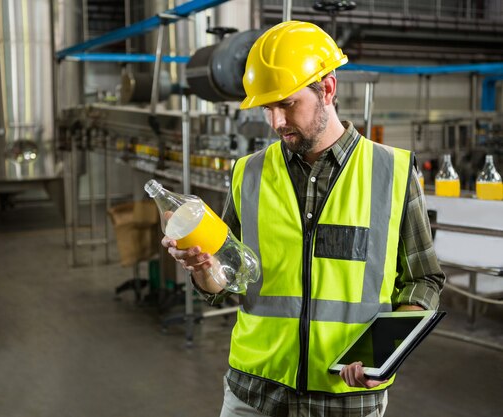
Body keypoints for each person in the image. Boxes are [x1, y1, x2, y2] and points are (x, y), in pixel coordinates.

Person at [162, 20, 445, 417]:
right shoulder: (249, 172)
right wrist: (202, 269)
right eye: (267, 108)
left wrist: (385, 354)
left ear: (327, 89)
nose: (276, 122)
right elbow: (224, 281)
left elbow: (422, 280)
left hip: (346, 398)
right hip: (253, 394)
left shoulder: (392, 173)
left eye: (287, 103)